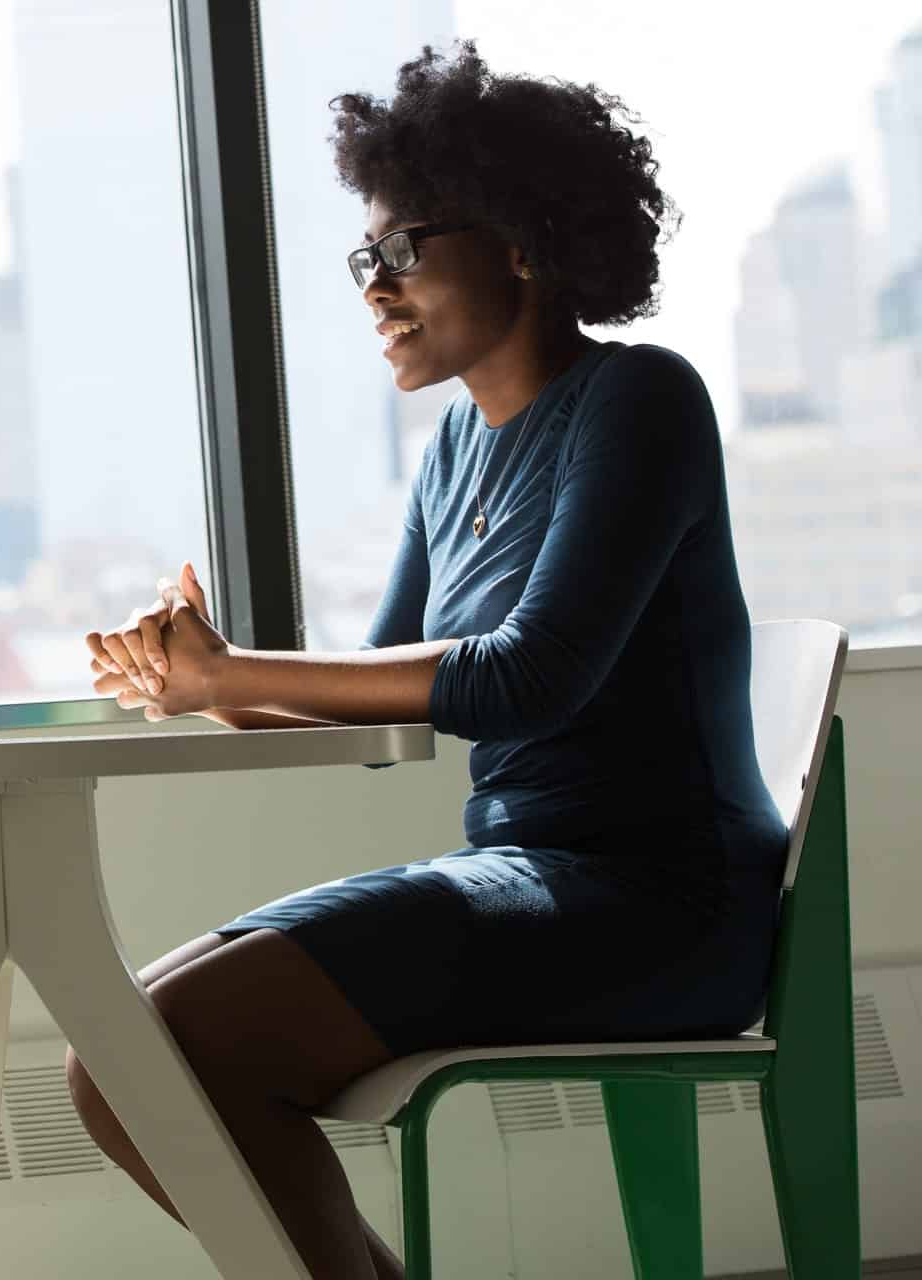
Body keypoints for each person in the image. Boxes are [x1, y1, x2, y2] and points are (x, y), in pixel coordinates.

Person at [74, 43, 786, 1280]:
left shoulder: (640, 401)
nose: (375, 288)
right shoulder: (456, 444)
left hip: (661, 901)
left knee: (175, 1046)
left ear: (518, 238)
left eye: (403, 250)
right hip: (529, 873)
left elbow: (526, 678)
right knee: (117, 1054)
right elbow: (387, 703)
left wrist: (234, 673)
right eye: (368, 258)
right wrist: (191, 678)